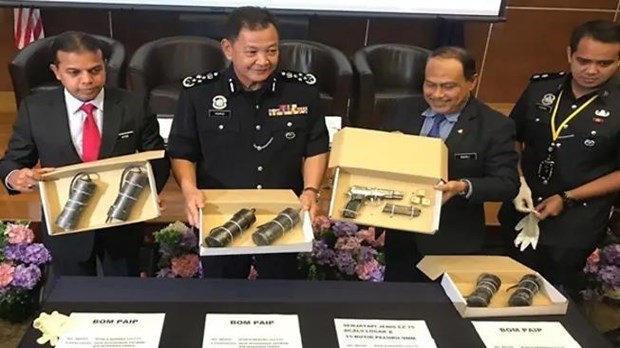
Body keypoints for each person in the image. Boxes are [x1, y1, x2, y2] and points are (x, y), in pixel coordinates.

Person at [167, 6, 329, 279]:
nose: (263, 61)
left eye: (272, 51)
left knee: (282, 291)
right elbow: (182, 149)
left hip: (283, 213)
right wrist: (188, 189)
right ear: (228, 49)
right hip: (221, 212)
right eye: (252, 52)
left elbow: (316, 145)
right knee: (222, 291)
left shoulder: (303, 91)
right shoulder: (200, 94)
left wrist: (312, 190)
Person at [0, 31, 170, 277]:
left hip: (121, 224)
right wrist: (16, 176)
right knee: (73, 303)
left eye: (95, 70)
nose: (87, 80)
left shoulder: (133, 105)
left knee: (125, 301)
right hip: (67, 227)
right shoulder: (35, 109)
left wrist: (149, 194)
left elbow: (157, 157)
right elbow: (13, 161)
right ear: (56, 72)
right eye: (74, 72)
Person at [498, 20, 620, 296]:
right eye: (583, 60)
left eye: (603, 63)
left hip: (577, 221)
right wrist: (517, 179)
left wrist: (567, 197)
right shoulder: (541, 89)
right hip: (523, 207)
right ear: (569, 54)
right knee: (508, 286)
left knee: (554, 295)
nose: (591, 70)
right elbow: (511, 138)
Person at [381, 46, 519, 282]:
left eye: (448, 86)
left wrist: (462, 187)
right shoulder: (403, 110)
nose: (437, 94)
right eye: (430, 84)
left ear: (471, 82)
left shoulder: (495, 126)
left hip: (452, 239)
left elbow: (506, 184)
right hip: (400, 235)